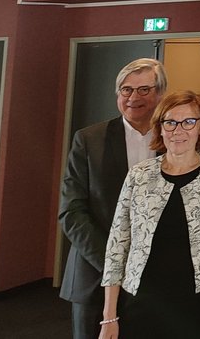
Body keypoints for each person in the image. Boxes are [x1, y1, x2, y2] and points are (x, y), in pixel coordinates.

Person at [100, 90, 200, 339]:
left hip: (197, 304)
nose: (178, 130)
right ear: (159, 128)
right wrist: (109, 315)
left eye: (188, 122)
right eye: (170, 122)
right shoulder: (139, 175)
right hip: (141, 301)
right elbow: (117, 245)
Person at [59, 58, 167, 339]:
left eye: (144, 90)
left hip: (155, 279)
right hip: (94, 275)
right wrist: (113, 264)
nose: (134, 97)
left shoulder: (176, 139)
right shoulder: (88, 140)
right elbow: (72, 212)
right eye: (126, 89)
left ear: (160, 93)